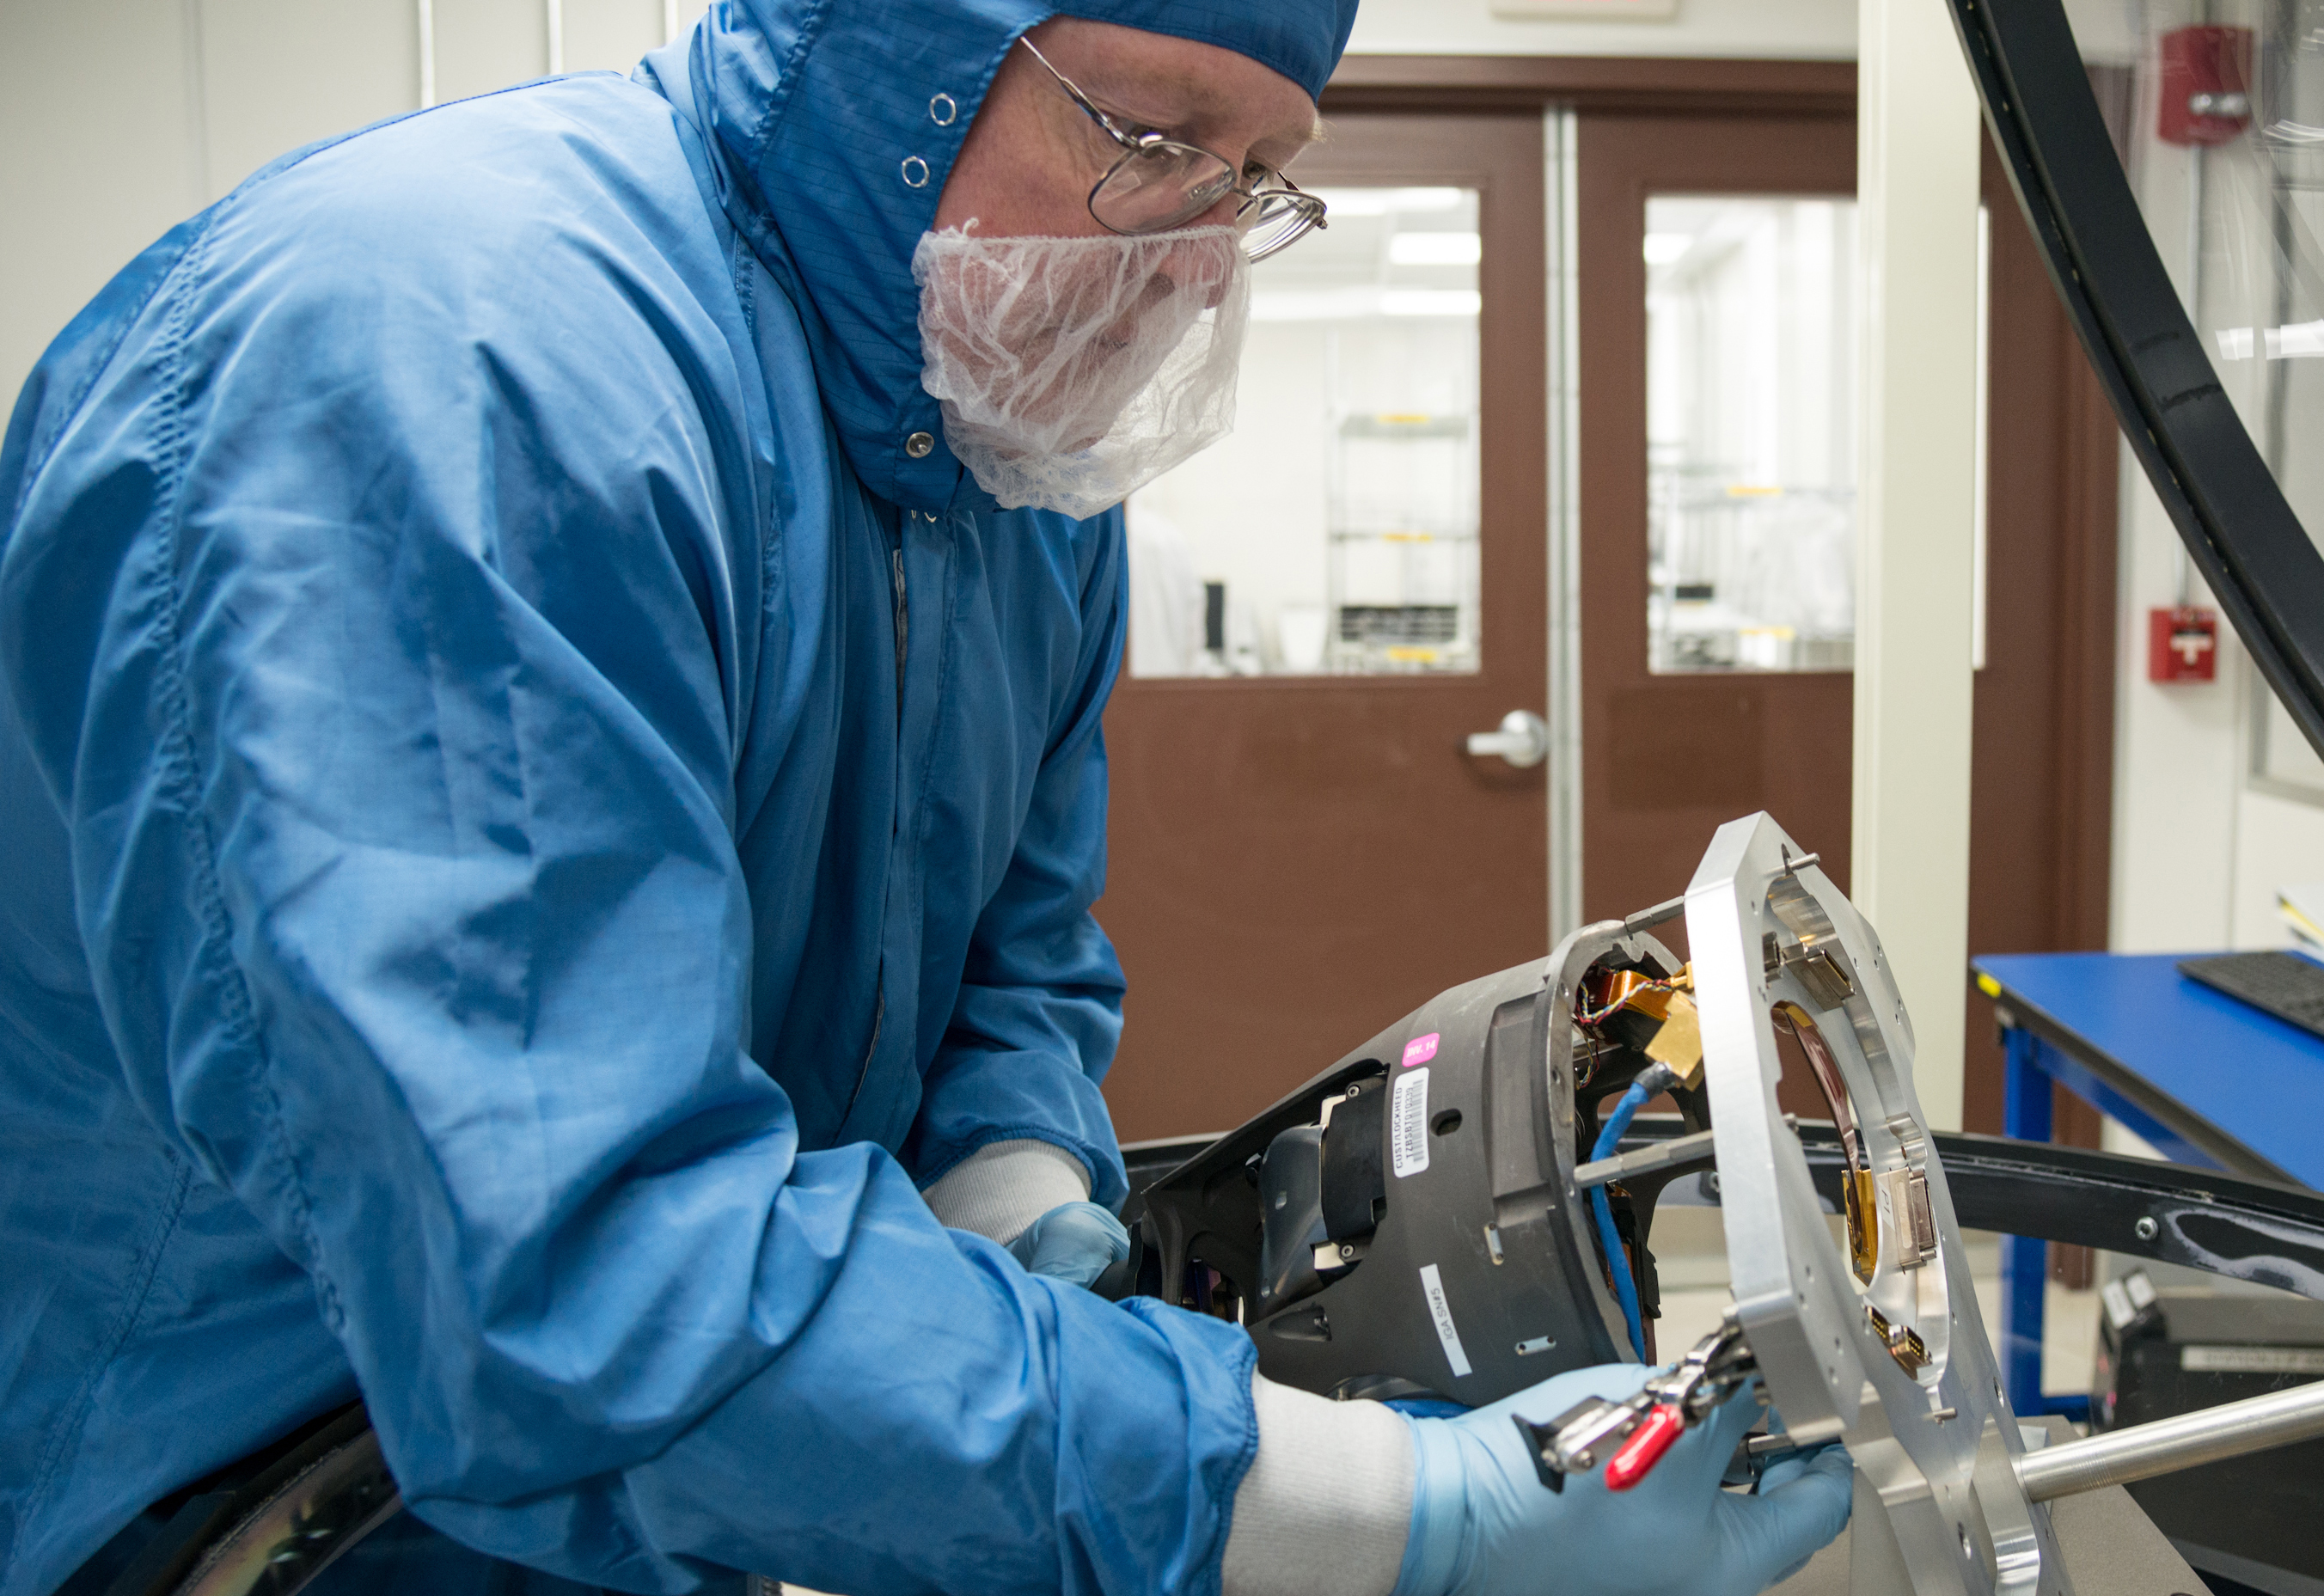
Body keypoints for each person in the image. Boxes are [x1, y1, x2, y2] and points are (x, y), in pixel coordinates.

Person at [0, 2, 1854, 1593]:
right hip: (226, 1489)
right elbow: (581, 1276)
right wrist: (1399, 1513)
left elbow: (1017, 952)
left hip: (667, 1470)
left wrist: (1012, 1177)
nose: (1199, 252)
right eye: (1151, 134)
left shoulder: (1009, 451)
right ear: (902, 56)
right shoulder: (450, 366)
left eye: (1256, 174)